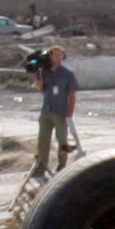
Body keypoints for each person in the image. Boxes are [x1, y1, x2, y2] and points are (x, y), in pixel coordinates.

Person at [35, 45, 77, 178]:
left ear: (63, 56)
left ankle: (62, 166)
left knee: (62, 142)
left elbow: (72, 97)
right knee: (43, 140)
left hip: (61, 112)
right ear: (51, 56)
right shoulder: (45, 72)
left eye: (60, 54)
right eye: (55, 54)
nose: (57, 57)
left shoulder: (68, 74)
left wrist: (69, 115)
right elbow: (42, 90)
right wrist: (39, 83)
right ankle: (41, 167)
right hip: (46, 110)